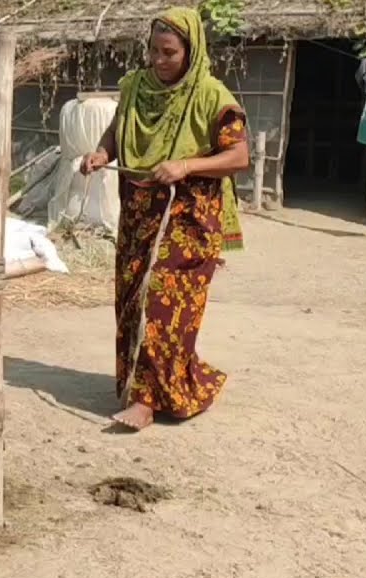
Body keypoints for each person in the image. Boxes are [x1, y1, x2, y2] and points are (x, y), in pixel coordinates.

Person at [80, 6, 250, 432]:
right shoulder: (136, 87)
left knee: (165, 301)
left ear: (191, 53)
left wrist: (187, 165)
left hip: (190, 214)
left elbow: (239, 156)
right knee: (133, 298)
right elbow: (118, 131)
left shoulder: (212, 97)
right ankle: (164, 385)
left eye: (169, 52)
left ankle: (146, 401)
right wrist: (102, 154)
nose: (158, 60)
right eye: (153, 50)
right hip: (140, 212)